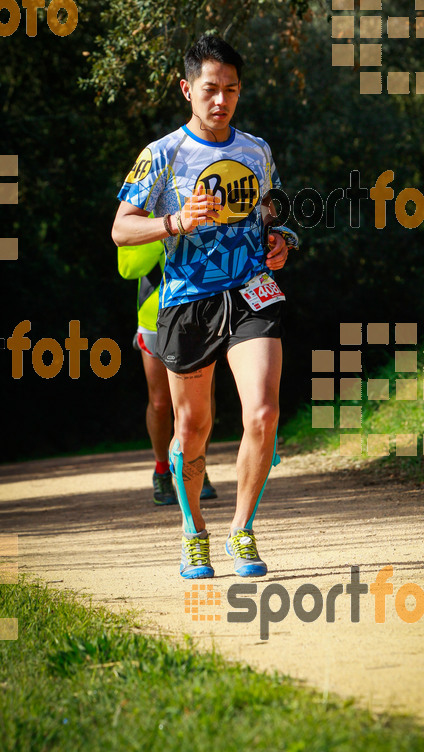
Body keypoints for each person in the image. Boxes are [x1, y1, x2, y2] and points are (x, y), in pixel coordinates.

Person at [112, 34, 298, 579]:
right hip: (187, 302)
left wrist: (281, 239)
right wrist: (175, 222)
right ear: (186, 88)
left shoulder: (257, 150)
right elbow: (121, 229)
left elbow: (272, 211)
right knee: (193, 429)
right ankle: (195, 532)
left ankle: (242, 531)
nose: (221, 100)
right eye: (211, 89)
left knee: (262, 412)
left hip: (250, 292)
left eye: (232, 90)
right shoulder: (162, 155)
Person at [117, 240, 217, 504]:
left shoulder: (199, 202)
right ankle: (162, 469)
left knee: (201, 399)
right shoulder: (140, 212)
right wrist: (165, 230)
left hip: (199, 313)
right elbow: (128, 268)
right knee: (161, 403)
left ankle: (197, 466)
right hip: (154, 317)